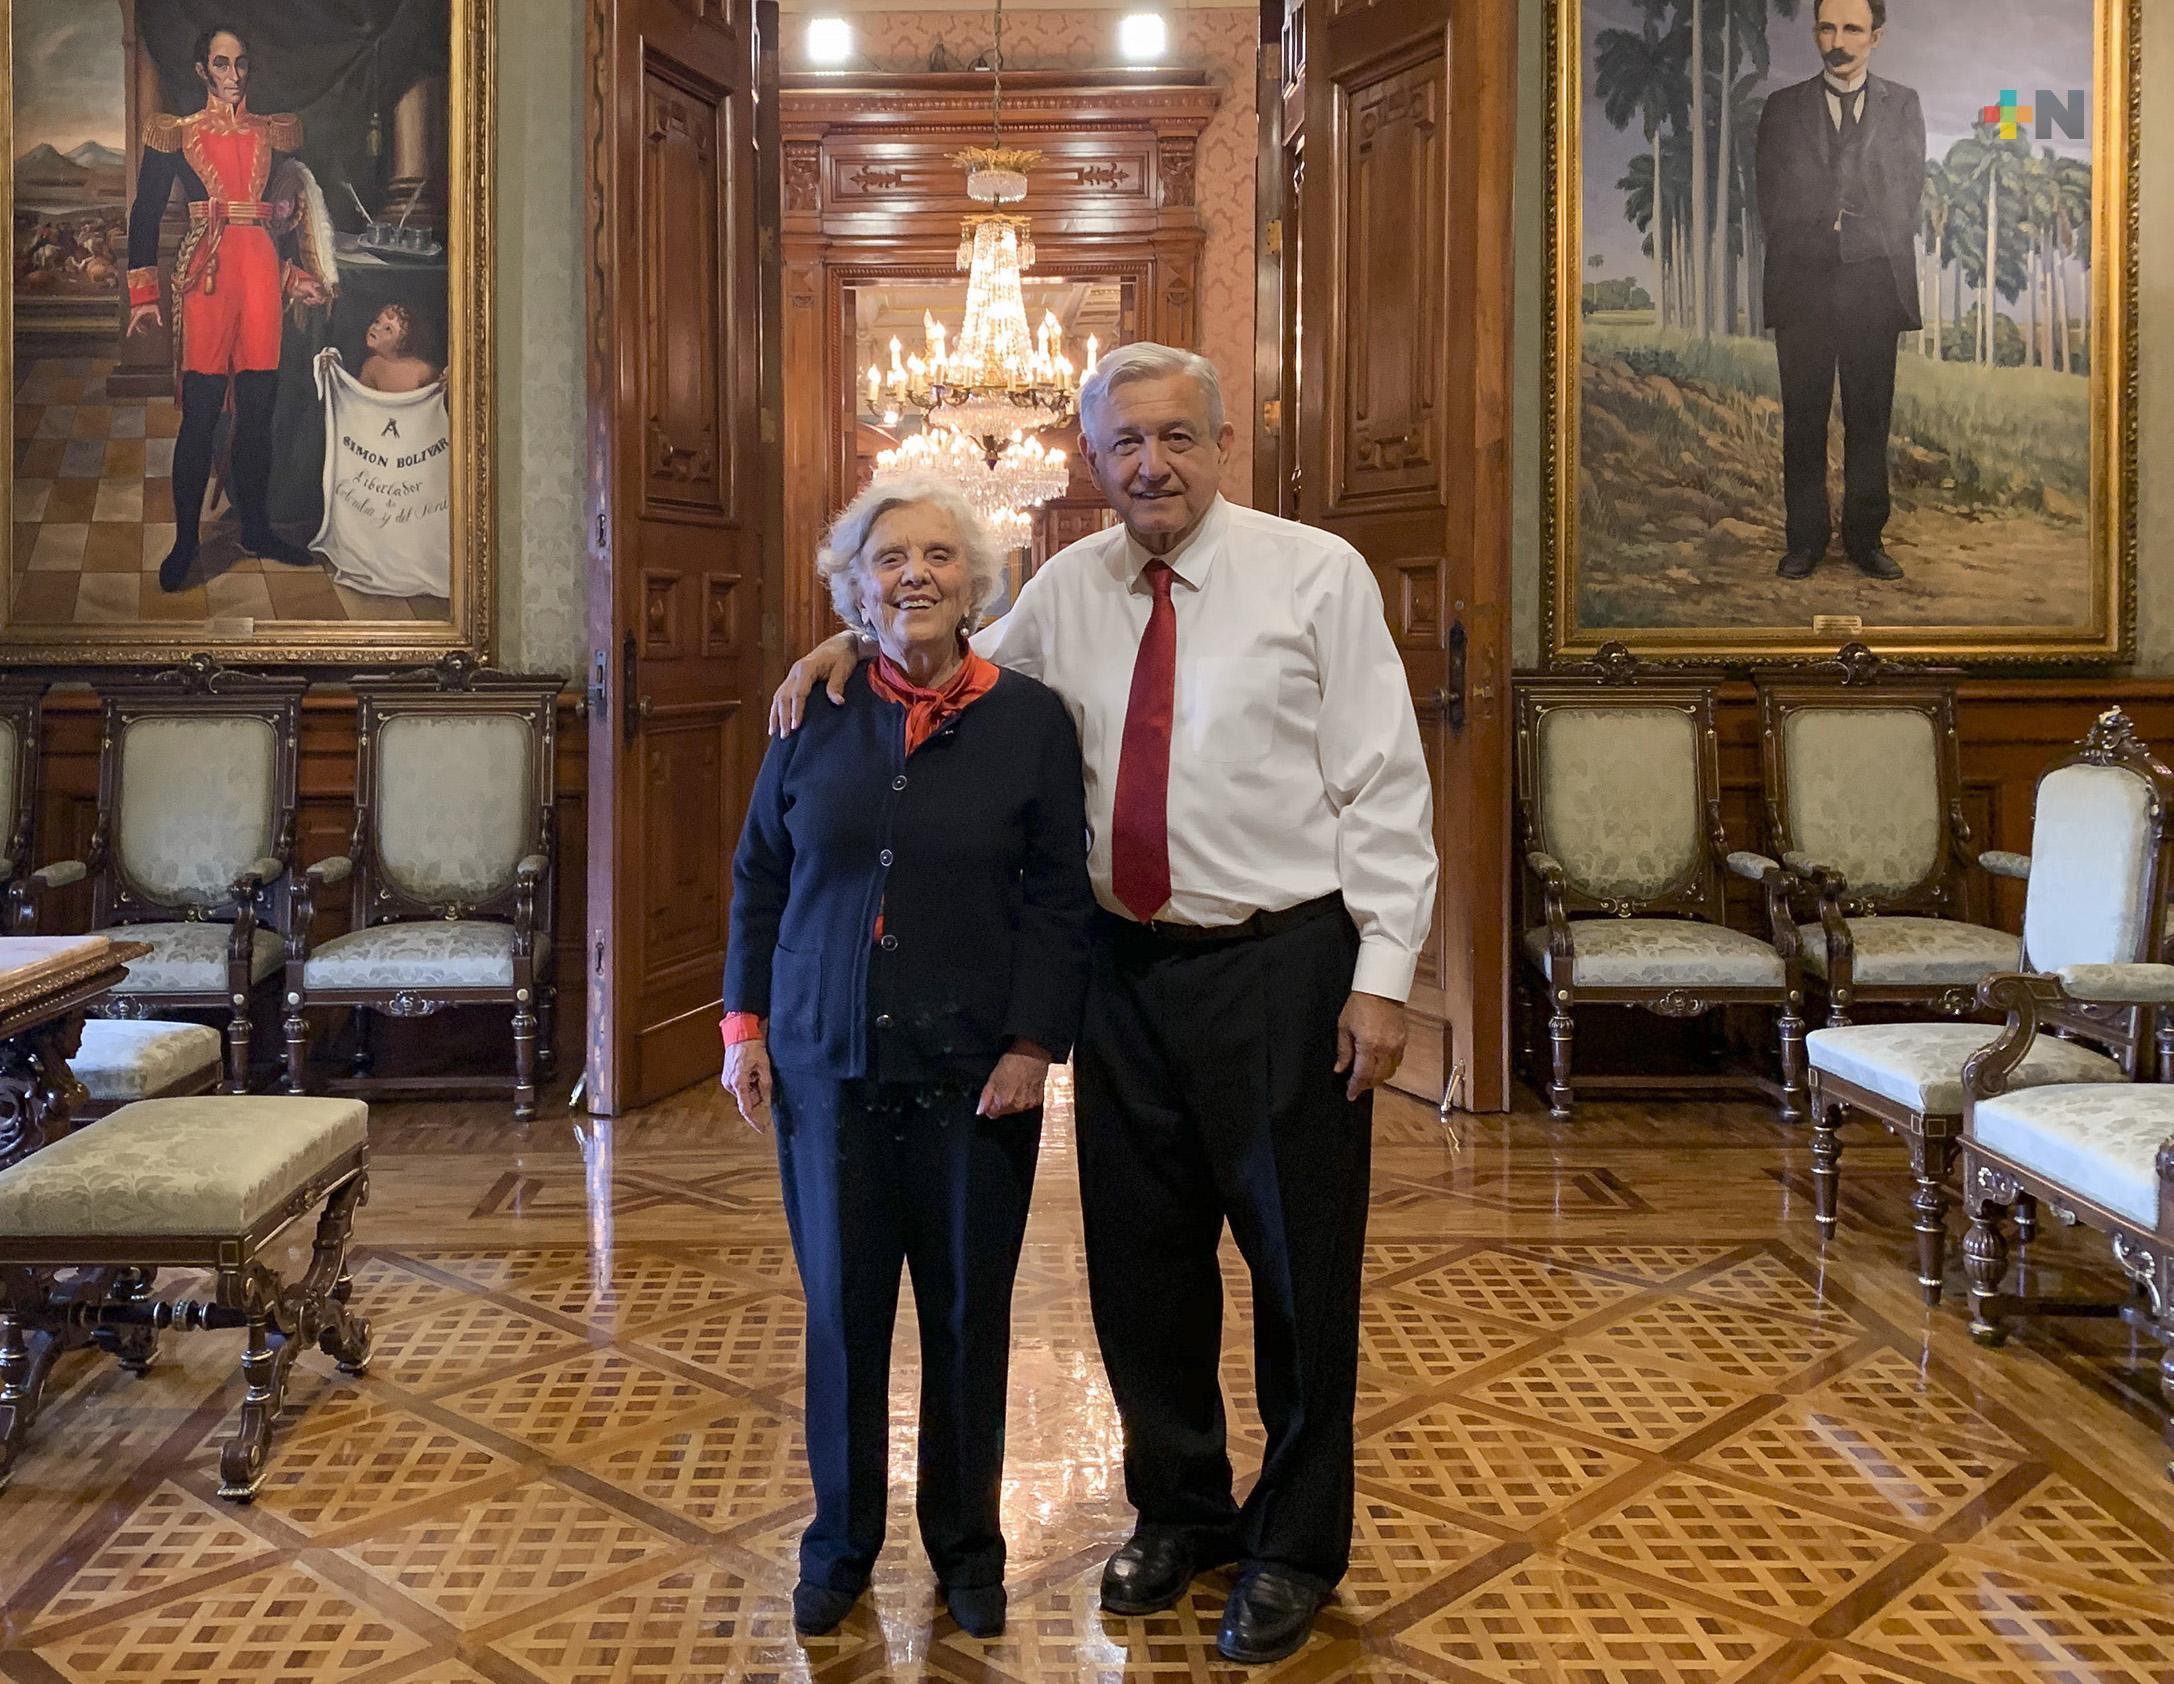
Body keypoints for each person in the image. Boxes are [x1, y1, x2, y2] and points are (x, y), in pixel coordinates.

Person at [770, 343, 1437, 1664]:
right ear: (1092, 459)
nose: (1151, 464)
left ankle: (1293, 1543)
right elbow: (945, 655)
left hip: (1284, 966)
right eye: (1124, 442)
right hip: (1123, 978)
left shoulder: (1318, 577)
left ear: (1221, 439)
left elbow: (1385, 789)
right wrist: (846, 636)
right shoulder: (1069, 589)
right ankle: (1179, 1511)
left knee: (1302, 1277)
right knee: (1141, 1274)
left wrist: (1379, 980)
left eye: (1176, 437)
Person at [723, 476, 1093, 1643]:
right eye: (890, 559)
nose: (915, 574)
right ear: (857, 586)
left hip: (975, 1075)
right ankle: (837, 1549)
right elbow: (758, 879)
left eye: (939, 555)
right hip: (823, 1066)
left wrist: (1035, 1042)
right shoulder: (809, 711)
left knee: (967, 1317)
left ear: (976, 582)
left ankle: (969, 1549)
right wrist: (744, 1026)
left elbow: (1057, 896)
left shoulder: (1030, 718)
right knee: (840, 1316)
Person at [125, 25, 335, 593]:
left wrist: (295, 275)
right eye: (222, 65)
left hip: (262, 279)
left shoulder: (275, 134)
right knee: (200, 414)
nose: (234, 76)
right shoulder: (174, 135)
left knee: (260, 411)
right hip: (206, 279)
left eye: (241, 64)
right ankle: (186, 541)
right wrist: (143, 294)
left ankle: (257, 529)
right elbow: (144, 216)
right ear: (202, 70)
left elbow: (291, 216)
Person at [1755, 0, 1925, 583]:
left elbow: (1907, 198)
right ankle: (1804, 541)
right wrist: (1824, 221)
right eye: (1828, 27)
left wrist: (1852, 226)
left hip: (1874, 286)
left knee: (1869, 419)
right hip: (1802, 284)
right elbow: (1770, 201)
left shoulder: (1903, 105)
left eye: (1853, 28)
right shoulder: (1782, 108)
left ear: (1875, 36)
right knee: (1804, 419)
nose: (1839, 39)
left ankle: (1864, 539)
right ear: (1815, 33)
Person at [359, 303, 441, 392]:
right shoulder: (371, 366)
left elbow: (437, 396)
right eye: (377, 322)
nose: (376, 328)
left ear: (400, 343)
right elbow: (362, 399)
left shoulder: (422, 371)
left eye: (388, 329)